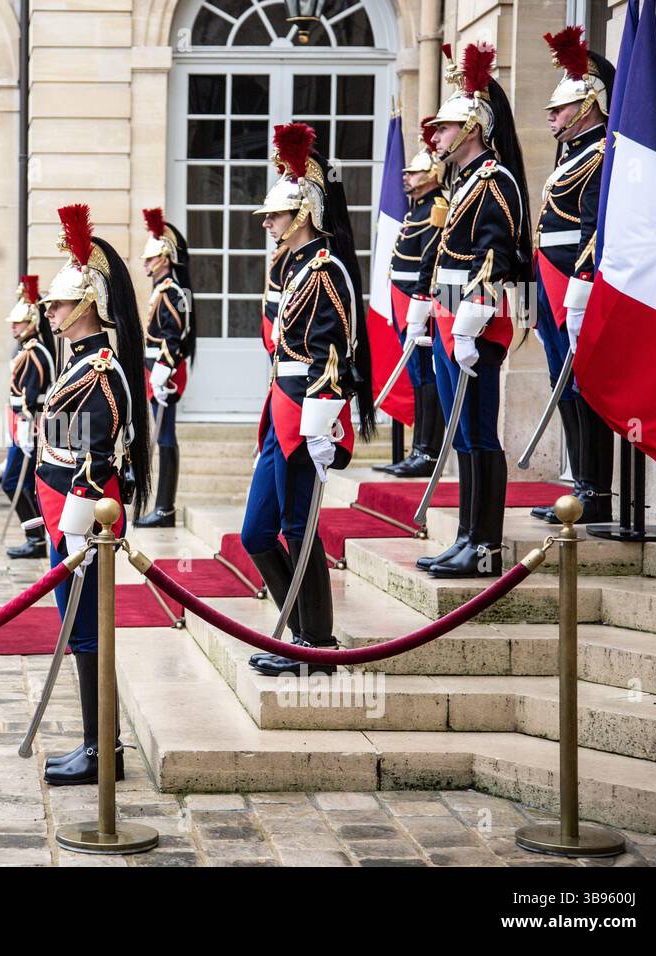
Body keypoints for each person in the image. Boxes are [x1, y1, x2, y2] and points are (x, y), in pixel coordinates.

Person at [243, 123, 377, 677]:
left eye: (275, 215)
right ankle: (298, 631)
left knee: (299, 528)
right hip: (281, 408)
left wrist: (323, 424)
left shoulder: (325, 269)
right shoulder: (292, 265)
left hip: (306, 415)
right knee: (256, 532)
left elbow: (335, 355)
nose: (268, 223)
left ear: (301, 216)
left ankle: (314, 644)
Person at [34, 204, 152, 786]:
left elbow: (97, 457)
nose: (49, 310)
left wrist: (77, 524)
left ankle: (102, 751)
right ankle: (95, 745)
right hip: (69, 517)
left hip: (87, 519)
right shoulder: (78, 361)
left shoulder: (100, 368)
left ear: (84, 307)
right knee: (80, 634)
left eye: (57, 303)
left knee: (87, 635)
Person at [418, 42, 531, 579]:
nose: (435, 136)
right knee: (460, 433)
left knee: (480, 433)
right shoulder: (464, 182)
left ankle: (485, 544)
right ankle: (465, 535)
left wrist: (468, 324)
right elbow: (448, 257)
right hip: (449, 318)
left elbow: (497, 256)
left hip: (474, 324)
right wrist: (428, 308)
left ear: (472, 129)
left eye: (443, 128)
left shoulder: (494, 180)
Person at [530, 26, 616, 525]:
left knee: (584, 384)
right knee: (560, 382)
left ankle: (595, 490)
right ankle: (579, 484)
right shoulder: (572, 157)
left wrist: (583, 281)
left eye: (560, 109)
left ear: (588, 106)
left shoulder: (602, 154)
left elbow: (594, 227)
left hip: (575, 283)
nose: (551, 116)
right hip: (550, 280)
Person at [375, 120, 448, 479]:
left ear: (433, 173)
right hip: (405, 299)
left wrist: (421, 296)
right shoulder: (414, 208)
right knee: (417, 377)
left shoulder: (437, 206)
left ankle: (428, 451)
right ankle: (417, 447)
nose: (406, 178)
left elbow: (431, 257)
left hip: (420, 302)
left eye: (414, 173)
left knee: (426, 377)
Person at [136, 208, 197, 528]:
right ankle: (163, 507)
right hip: (155, 372)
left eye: (150, 258)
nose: (145, 264)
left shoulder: (171, 292)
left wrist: (163, 371)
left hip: (165, 375)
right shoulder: (162, 290)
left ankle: (165, 508)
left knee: (166, 437)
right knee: (162, 437)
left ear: (165, 258)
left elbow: (174, 338)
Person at [1, 275, 56, 559]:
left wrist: (24, 427)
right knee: (22, 485)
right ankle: (35, 538)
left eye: (19, 322)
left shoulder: (35, 352)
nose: (14, 325)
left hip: (29, 428)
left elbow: (29, 397)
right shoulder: (28, 349)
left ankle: (36, 539)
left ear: (32, 322)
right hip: (23, 427)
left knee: (13, 483)